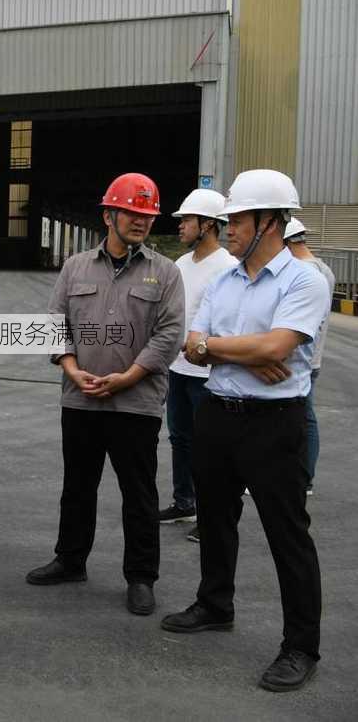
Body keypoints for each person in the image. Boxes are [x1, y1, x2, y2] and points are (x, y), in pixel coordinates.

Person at [160, 169, 330, 693]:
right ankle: (215, 603)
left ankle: (300, 646)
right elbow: (192, 343)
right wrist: (244, 349)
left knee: (288, 534)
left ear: (270, 222)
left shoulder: (305, 281)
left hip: (274, 422)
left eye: (236, 219)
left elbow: (276, 350)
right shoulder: (224, 279)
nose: (228, 228)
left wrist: (226, 348)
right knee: (214, 517)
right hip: (217, 411)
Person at [26, 173, 183, 619]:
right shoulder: (75, 268)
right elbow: (55, 322)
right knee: (78, 485)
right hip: (80, 400)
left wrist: (128, 376)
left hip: (136, 403)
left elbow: (170, 333)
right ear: (109, 215)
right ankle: (70, 560)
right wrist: (73, 370)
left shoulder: (165, 273)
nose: (140, 222)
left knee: (139, 493)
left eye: (148, 215)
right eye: (132, 213)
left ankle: (140, 578)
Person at [163, 189, 236, 543]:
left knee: (209, 448)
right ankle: (184, 502)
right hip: (178, 369)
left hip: (208, 374)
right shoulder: (180, 265)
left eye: (187, 220)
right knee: (180, 439)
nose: (180, 226)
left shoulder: (227, 268)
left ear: (208, 225)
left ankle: (211, 516)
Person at [284, 218, 334, 495]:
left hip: (299, 359)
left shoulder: (302, 271)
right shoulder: (324, 269)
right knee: (305, 419)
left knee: (298, 422)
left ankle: (302, 479)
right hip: (315, 357)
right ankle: (304, 478)